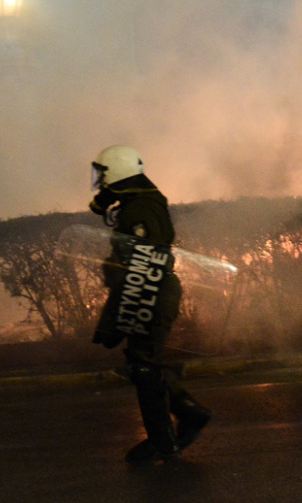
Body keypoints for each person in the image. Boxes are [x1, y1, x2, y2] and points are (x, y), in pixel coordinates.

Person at [89, 144, 212, 463]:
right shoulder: (139, 203)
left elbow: (143, 266)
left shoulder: (142, 209)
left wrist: (116, 315)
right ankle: (188, 416)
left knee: (143, 367)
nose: (99, 181)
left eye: (103, 174)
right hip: (146, 290)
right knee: (144, 364)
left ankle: (165, 442)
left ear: (116, 171)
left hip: (150, 291)